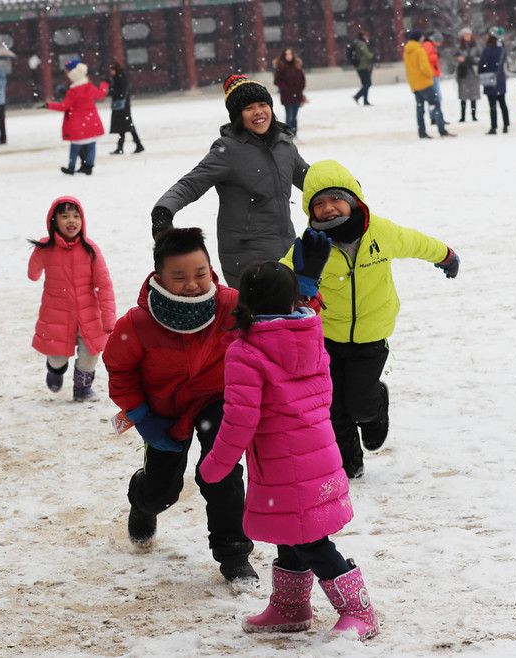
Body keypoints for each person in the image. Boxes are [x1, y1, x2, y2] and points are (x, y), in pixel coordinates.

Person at [199, 256, 379, 640]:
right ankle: (290, 608)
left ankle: (359, 611)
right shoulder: (310, 334)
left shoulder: (245, 352)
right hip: (314, 452)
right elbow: (324, 394)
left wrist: (216, 465)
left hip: (286, 463)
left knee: (311, 541)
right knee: (290, 532)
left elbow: (239, 422)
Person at [279, 159, 460, 478]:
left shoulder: (380, 232)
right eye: (319, 204)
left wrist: (445, 255)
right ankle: (350, 461)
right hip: (327, 338)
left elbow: (415, 241)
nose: (329, 209)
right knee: (333, 406)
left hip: (372, 336)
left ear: (353, 200)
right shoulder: (311, 246)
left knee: (360, 402)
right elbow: (280, 274)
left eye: (336, 199)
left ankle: (376, 407)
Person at [102, 227, 258, 588]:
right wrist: (141, 417)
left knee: (220, 470)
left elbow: (271, 327)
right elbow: (119, 371)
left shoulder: (230, 304)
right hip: (162, 414)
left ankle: (234, 554)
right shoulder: (137, 323)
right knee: (162, 491)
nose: (193, 284)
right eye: (180, 277)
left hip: (214, 402)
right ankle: (143, 503)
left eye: (200, 274)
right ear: (159, 277)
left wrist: (305, 294)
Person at [151, 74, 309, 287]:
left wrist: (343, 189)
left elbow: (311, 180)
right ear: (237, 116)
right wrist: (163, 210)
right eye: (249, 108)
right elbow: (190, 184)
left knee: (288, 315)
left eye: (263, 104)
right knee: (262, 315)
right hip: (246, 255)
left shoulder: (285, 146)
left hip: (286, 248)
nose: (259, 112)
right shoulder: (228, 151)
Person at [27, 196, 116, 401]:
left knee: (90, 354)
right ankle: (55, 370)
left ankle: (83, 389)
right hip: (57, 315)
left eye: (76, 216)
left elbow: (104, 285)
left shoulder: (90, 248)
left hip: (88, 315)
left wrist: (109, 319)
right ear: (54, 221)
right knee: (57, 358)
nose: (71, 221)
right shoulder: (47, 249)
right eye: (65, 216)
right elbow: (33, 275)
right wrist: (39, 252)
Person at [46, 59, 108, 175]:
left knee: (75, 148)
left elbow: (63, 106)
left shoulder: (73, 91)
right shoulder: (90, 87)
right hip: (91, 121)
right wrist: (104, 84)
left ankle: (71, 167)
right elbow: (101, 95)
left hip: (78, 124)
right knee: (91, 146)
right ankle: (89, 166)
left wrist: (49, 105)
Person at [403, 30, 454, 139]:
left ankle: (422, 132)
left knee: (420, 109)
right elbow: (425, 67)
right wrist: (430, 74)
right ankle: (442, 131)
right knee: (436, 105)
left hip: (415, 84)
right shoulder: (419, 51)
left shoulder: (407, 51)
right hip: (424, 82)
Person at [107, 61, 144, 154]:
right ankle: (131, 145)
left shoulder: (120, 78)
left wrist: (111, 90)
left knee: (125, 127)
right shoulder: (120, 77)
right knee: (125, 127)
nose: (111, 72)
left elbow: (120, 92)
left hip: (122, 107)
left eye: (112, 70)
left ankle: (126, 146)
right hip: (123, 106)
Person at [479, 33, 509, 134]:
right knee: (503, 103)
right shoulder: (502, 50)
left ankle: (494, 127)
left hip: (490, 79)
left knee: (492, 105)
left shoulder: (487, 50)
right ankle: (505, 126)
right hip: (500, 78)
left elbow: (481, 64)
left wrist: (482, 71)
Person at [272, 47, 306, 137]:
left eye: (290, 54)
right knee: (289, 116)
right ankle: (289, 135)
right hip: (287, 95)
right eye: (286, 54)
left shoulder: (297, 66)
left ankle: (295, 135)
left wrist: (300, 89)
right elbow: (277, 81)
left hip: (297, 95)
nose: (288, 56)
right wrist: (286, 88)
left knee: (295, 117)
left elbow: (302, 79)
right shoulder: (281, 67)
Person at [455, 28, 481, 122]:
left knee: (473, 95)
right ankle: (463, 116)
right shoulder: (459, 47)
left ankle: (474, 115)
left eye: (468, 35)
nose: (467, 37)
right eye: (465, 35)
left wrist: (473, 60)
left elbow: (481, 58)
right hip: (463, 73)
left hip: (473, 72)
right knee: (463, 95)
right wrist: (459, 60)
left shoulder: (476, 46)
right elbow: (454, 58)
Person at [422, 33, 444, 126]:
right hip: (432, 74)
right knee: (436, 96)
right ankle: (435, 117)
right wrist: (436, 56)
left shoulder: (430, 45)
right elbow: (425, 57)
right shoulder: (428, 45)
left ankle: (436, 117)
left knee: (436, 96)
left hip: (433, 73)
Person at [351, 29, 374, 105]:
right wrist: (372, 56)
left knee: (365, 84)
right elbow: (366, 54)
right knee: (368, 84)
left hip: (359, 66)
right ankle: (357, 96)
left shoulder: (357, 42)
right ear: (363, 36)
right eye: (366, 36)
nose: (367, 38)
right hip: (363, 66)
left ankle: (365, 100)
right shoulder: (361, 44)